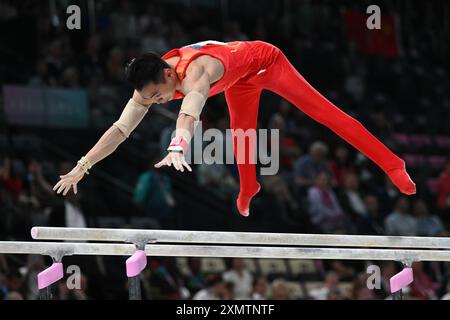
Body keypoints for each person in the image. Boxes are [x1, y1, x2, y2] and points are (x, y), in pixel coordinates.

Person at [52, 40, 416, 217]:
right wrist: (82, 167)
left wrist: (178, 146)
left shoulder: (196, 72)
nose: (156, 102)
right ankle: (249, 188)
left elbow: (190, 111)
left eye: (158, 96)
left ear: (169, 74)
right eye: (149, 100)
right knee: (243, 141)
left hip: (266, 63)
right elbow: (119, 129)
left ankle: (392, 164)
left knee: (324, 113)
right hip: (238, 81)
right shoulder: (150, 83)